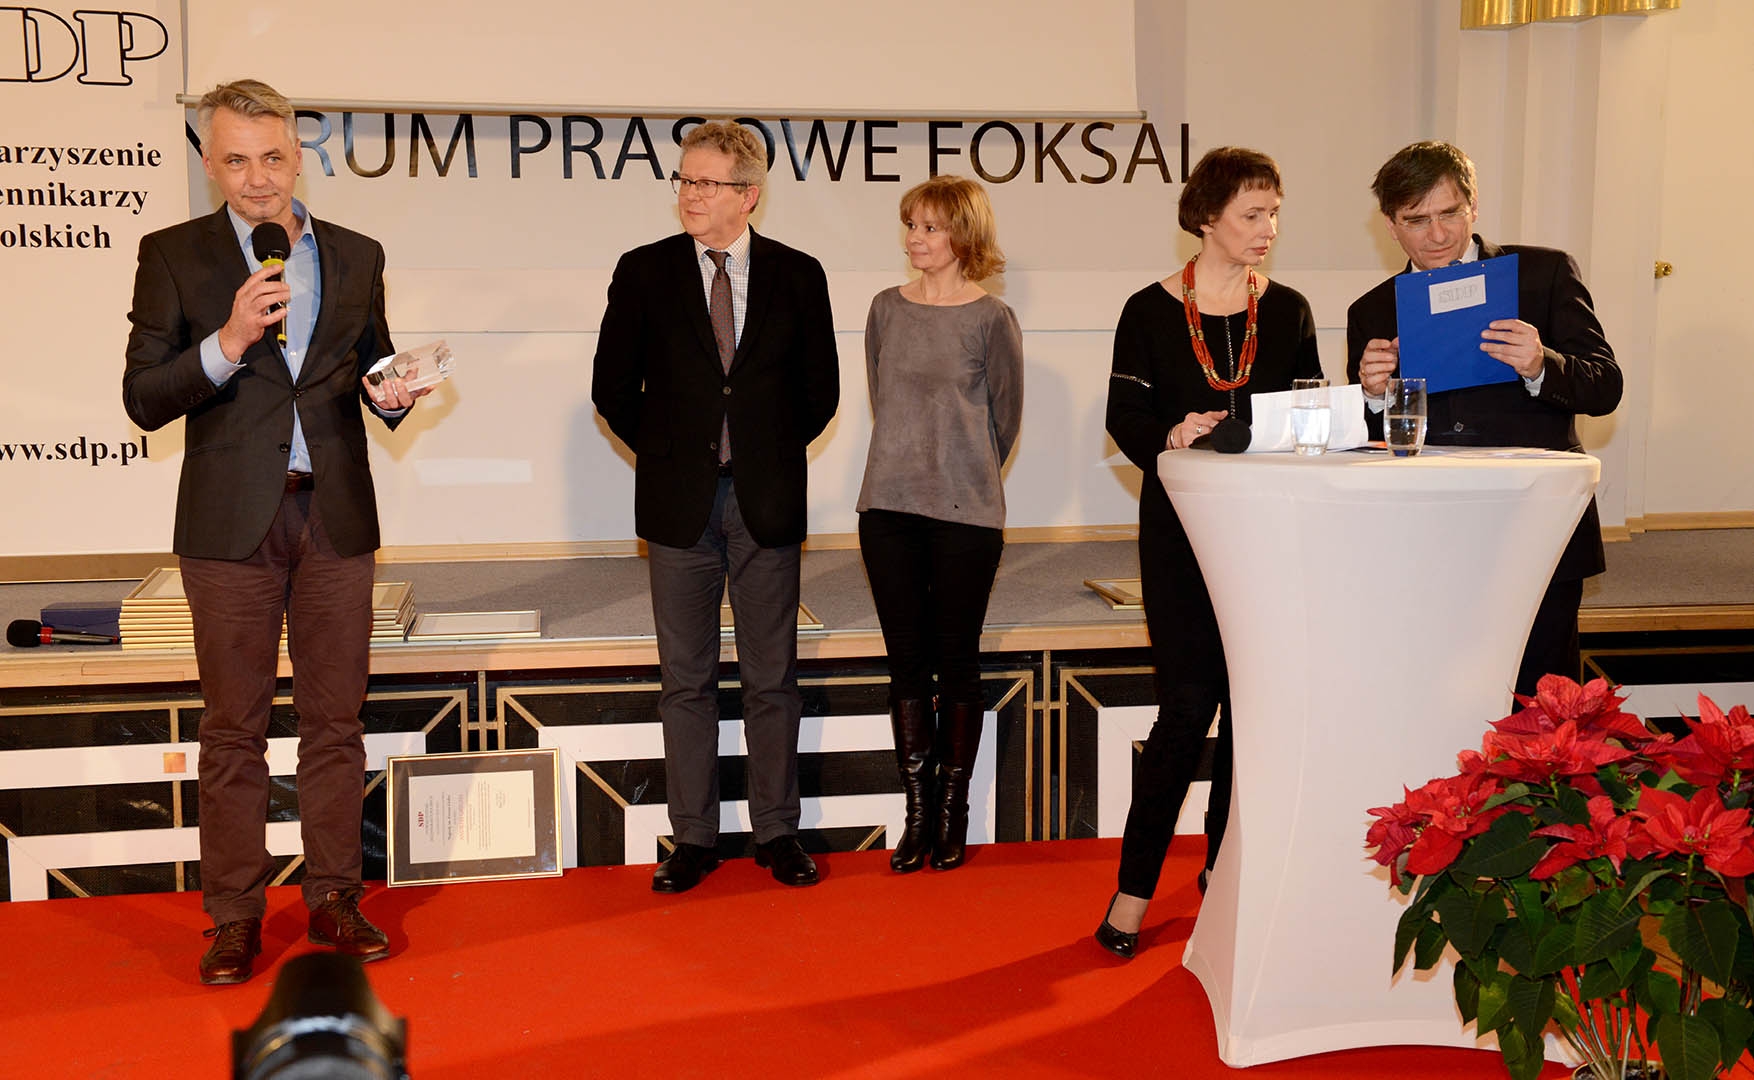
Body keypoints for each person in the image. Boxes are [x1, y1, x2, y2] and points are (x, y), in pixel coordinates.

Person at [122, 80, 429, 985]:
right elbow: (143, 396)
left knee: (335, 722)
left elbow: (371, 362)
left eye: (270, 157)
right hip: (229, 525)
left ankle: (335, 896)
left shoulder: (358, 253)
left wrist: (395, 393)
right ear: (211, 166)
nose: (257, 178)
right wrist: (225, 342)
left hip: (335, 515)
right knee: (234, 729)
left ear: (298, 155)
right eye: (235, 160)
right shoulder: (173, 254)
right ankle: (235, 915)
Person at [592, 121, 839, 894]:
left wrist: (762, 453)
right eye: (684, 180)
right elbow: (611, 387)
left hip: (765, 501)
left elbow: (821, 391)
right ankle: (694, 837)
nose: (689, 194)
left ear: (748, 194)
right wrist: (672, 453)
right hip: (679, 507)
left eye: (706, 183)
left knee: (772, 679)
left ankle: (778, 831)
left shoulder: (799, 274)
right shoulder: (643, 270)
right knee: (686, 681)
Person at [1096, 147, 1321, 959]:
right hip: (1182, 534)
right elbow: (1124, 418)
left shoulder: (1288, 309)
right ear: (1205, 218)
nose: (1269, 229)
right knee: (1188, 708)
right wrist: (1173, 432)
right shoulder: (1148, 310)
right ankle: (1132, 892)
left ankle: (1225, 877)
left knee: (1253, 712)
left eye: (1275, 212)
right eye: (1252, 214)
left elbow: (1312, 413)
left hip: (1269, 534)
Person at [1347, 141, 1621, 697]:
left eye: (1450, 213)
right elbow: (1369, 445)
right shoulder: (1372, 309)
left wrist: (1542, 364)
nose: (1437, 234)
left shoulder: (1542, 274)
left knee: (1544, 701)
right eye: (1416, 220)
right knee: (1438, 696)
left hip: (1535, 520)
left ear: (1473, 206)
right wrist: (1373, 397)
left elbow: (1605, 386)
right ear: (1390, 226)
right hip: (1430, 535)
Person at [856, 176, 1023, 874]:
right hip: (887, 510)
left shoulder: (992, 318)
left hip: (966, 516)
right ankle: (917, 815)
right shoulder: (885, 309)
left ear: (964, 235)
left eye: (929, 227)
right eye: (911, 225)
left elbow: (1003, 420)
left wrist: (960, 474)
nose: (915, 238)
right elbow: (883, 398)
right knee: (905, 663)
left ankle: (952, 813)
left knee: (956, 661)